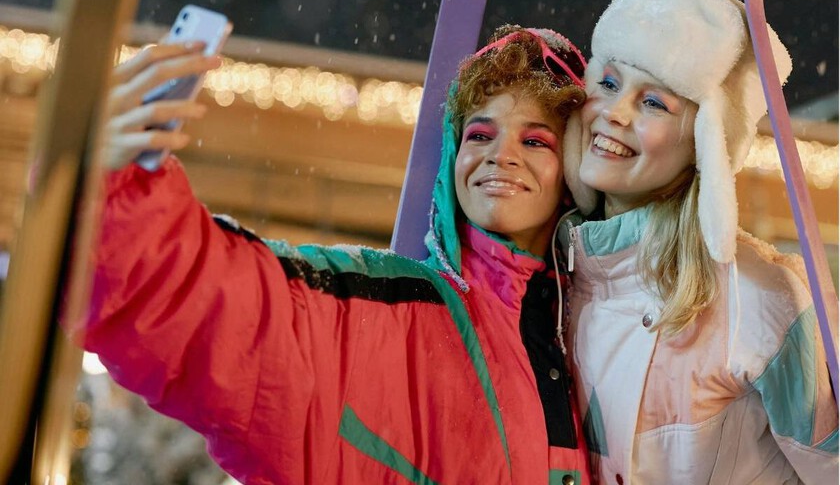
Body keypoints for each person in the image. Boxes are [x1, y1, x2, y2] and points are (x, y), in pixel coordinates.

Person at [76, 25, 594, 484]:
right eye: (479, 134)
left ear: (574, 174)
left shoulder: (604, 340)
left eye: (535, 141)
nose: (500, 155)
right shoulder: (390, 311)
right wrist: (109, 188)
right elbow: (211, 302)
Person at [559, 0, 838, 484]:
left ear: (704, 144)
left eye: (653, 102)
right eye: (609, 83)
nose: (614, 113)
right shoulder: (553, 285)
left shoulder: (757, 297)